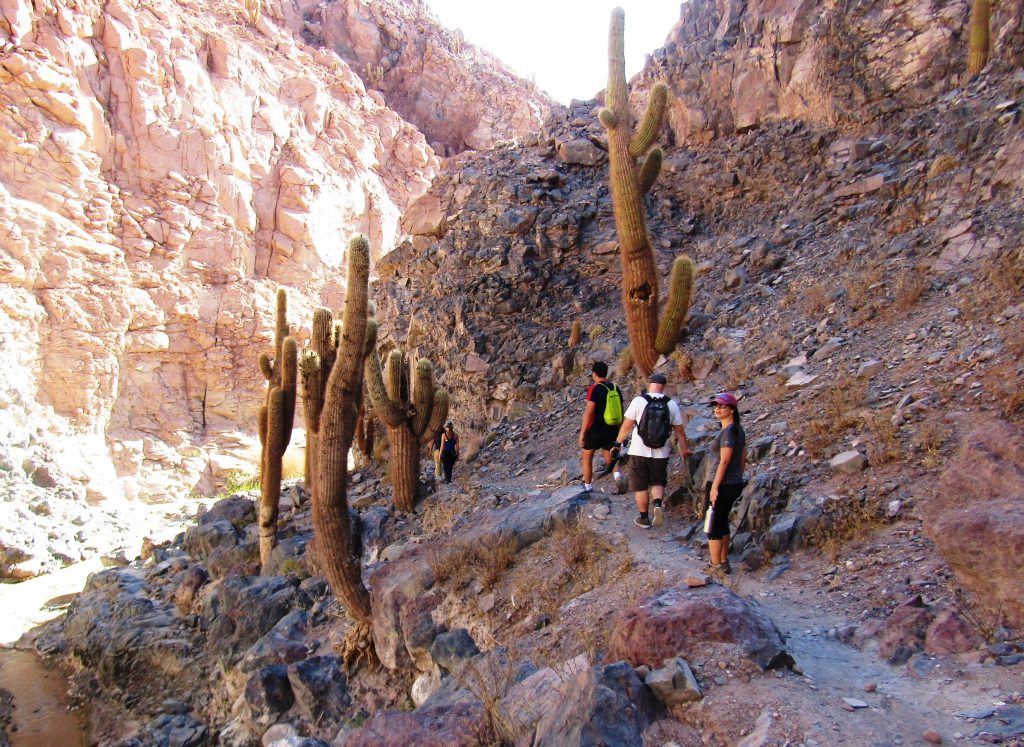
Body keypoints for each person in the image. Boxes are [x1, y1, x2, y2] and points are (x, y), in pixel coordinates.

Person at [615, 372, 690, 528]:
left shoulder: (639, 401)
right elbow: (679, 430)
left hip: (638, 450)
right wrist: (684, 449)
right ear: (663, 387)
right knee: (657, 481)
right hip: (661, 452)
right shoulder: (671, 404)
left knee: (640, 485)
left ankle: (643, 518)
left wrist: (617, 443)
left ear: (650, 384)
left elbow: (627, 426)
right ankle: (657, 504)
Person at [705, 392, 746, 574]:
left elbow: (725, 460)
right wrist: (738, 476)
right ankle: (723, 560)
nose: (718, 409)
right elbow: (743, 457)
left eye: (722, 406)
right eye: (716, 406)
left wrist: (715, 486)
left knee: (713, 523)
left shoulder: (728, 432)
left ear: (732, 410)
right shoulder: (738, 430)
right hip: (734, 482)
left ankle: (715, 564)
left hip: (721, 483)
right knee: (722, 521)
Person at [578, 361, 622, 493]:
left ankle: (588, 487)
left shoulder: (595, 389)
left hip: (595, 430)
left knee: (587, 457)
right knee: (611, 455)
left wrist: (582, 432)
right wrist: (619, 429)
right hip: (612, 428)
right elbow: (621, 409)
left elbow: (589, 412)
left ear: (594, 374)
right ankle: (618, 478)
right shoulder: (615, 388)